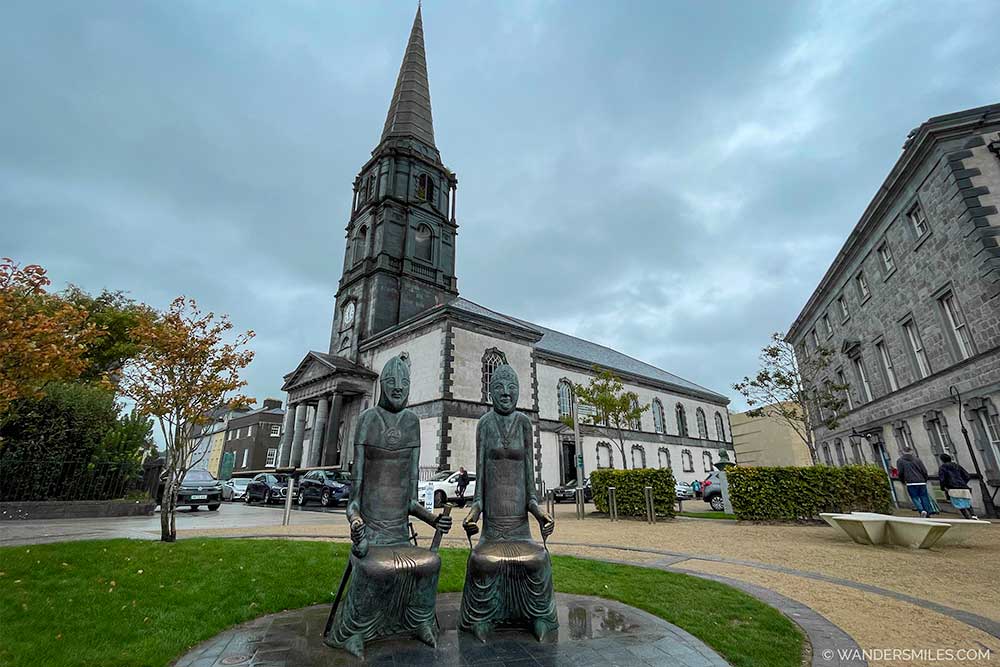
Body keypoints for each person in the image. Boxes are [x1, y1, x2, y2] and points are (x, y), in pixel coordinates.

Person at [324, 353, 452, 658]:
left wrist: (434, 521)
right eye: (392, 382)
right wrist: (356, 523)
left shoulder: (411, 422)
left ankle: (419, 621)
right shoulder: (368, 420)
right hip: (372, 536)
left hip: (398, 535)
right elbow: (353, 501)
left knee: (430, 562)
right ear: (382, 385)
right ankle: (354, 631)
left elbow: (409, 500)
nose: (398, 388)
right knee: (371, 566)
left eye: (404, 382)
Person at [461, 364, 558, 642]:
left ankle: (538, 616)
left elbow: (530, 492)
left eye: (512, 387)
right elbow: (479, 493)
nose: (506, 393)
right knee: (483, 559)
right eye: (500, 387)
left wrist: (541, 515)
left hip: (520, 531)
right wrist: (471, 517)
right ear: (491, 392)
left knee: (537, 559)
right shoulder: (485, 424)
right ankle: (482, 617)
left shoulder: (525, 425)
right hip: (493, 532)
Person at [937, 453, 977, 520]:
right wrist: (963, 482)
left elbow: (942, 479)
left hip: (952, 487)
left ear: (942, 460)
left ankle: (967, 517)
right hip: (963, 486)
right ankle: (973, 515)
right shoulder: (957, 466)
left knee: (959, 503)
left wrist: (943, 487)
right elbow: (967, 476)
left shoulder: (942, 467)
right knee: (966, 501)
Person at [895, 449, 932, 517]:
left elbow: (900, 473)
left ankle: (921, 510)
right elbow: (924, 470)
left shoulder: (900, 461)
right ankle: (928, 512)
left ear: (902, 453)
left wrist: (903, 481)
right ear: (911, 452)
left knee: (915, 498)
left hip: (910, 482)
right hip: (921, 481)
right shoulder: (917, 460)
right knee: (924, 497)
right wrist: (925, 479)